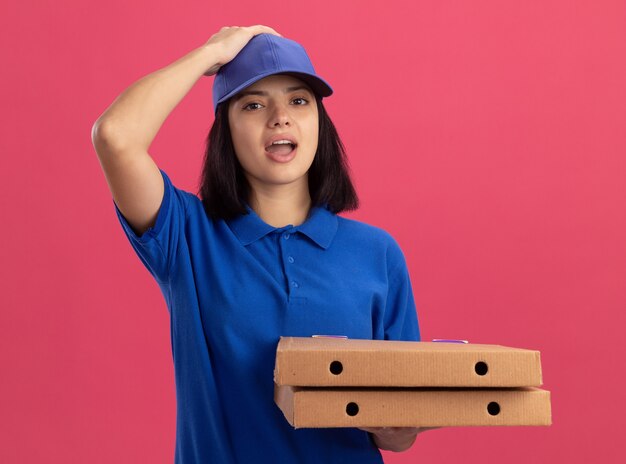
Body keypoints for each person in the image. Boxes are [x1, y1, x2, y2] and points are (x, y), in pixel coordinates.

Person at [91, 25, 434, 463]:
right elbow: (115, 137)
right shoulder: (187, 236)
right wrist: (210, 54)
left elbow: (400, 436)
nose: (280, 117)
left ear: (319, 122)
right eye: (253, 104)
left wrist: (397, 425)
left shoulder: (378, 254)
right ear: (225, 131)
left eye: (298, 100)